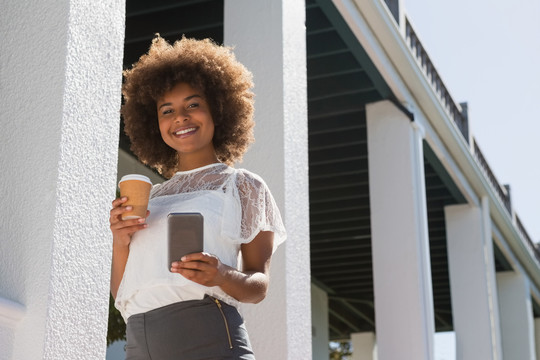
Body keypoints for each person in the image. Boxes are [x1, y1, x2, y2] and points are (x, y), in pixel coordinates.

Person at [109, 35, 286, 360]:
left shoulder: (242, 185)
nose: (180, 117)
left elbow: (258, 285)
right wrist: (120, 241)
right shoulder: (154, 197)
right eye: (167, 110)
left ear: (218, 109)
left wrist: (221, 274)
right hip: (139, 344)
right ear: (154, 122)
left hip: (208, 339)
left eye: (193, 104)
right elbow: (123, 293)